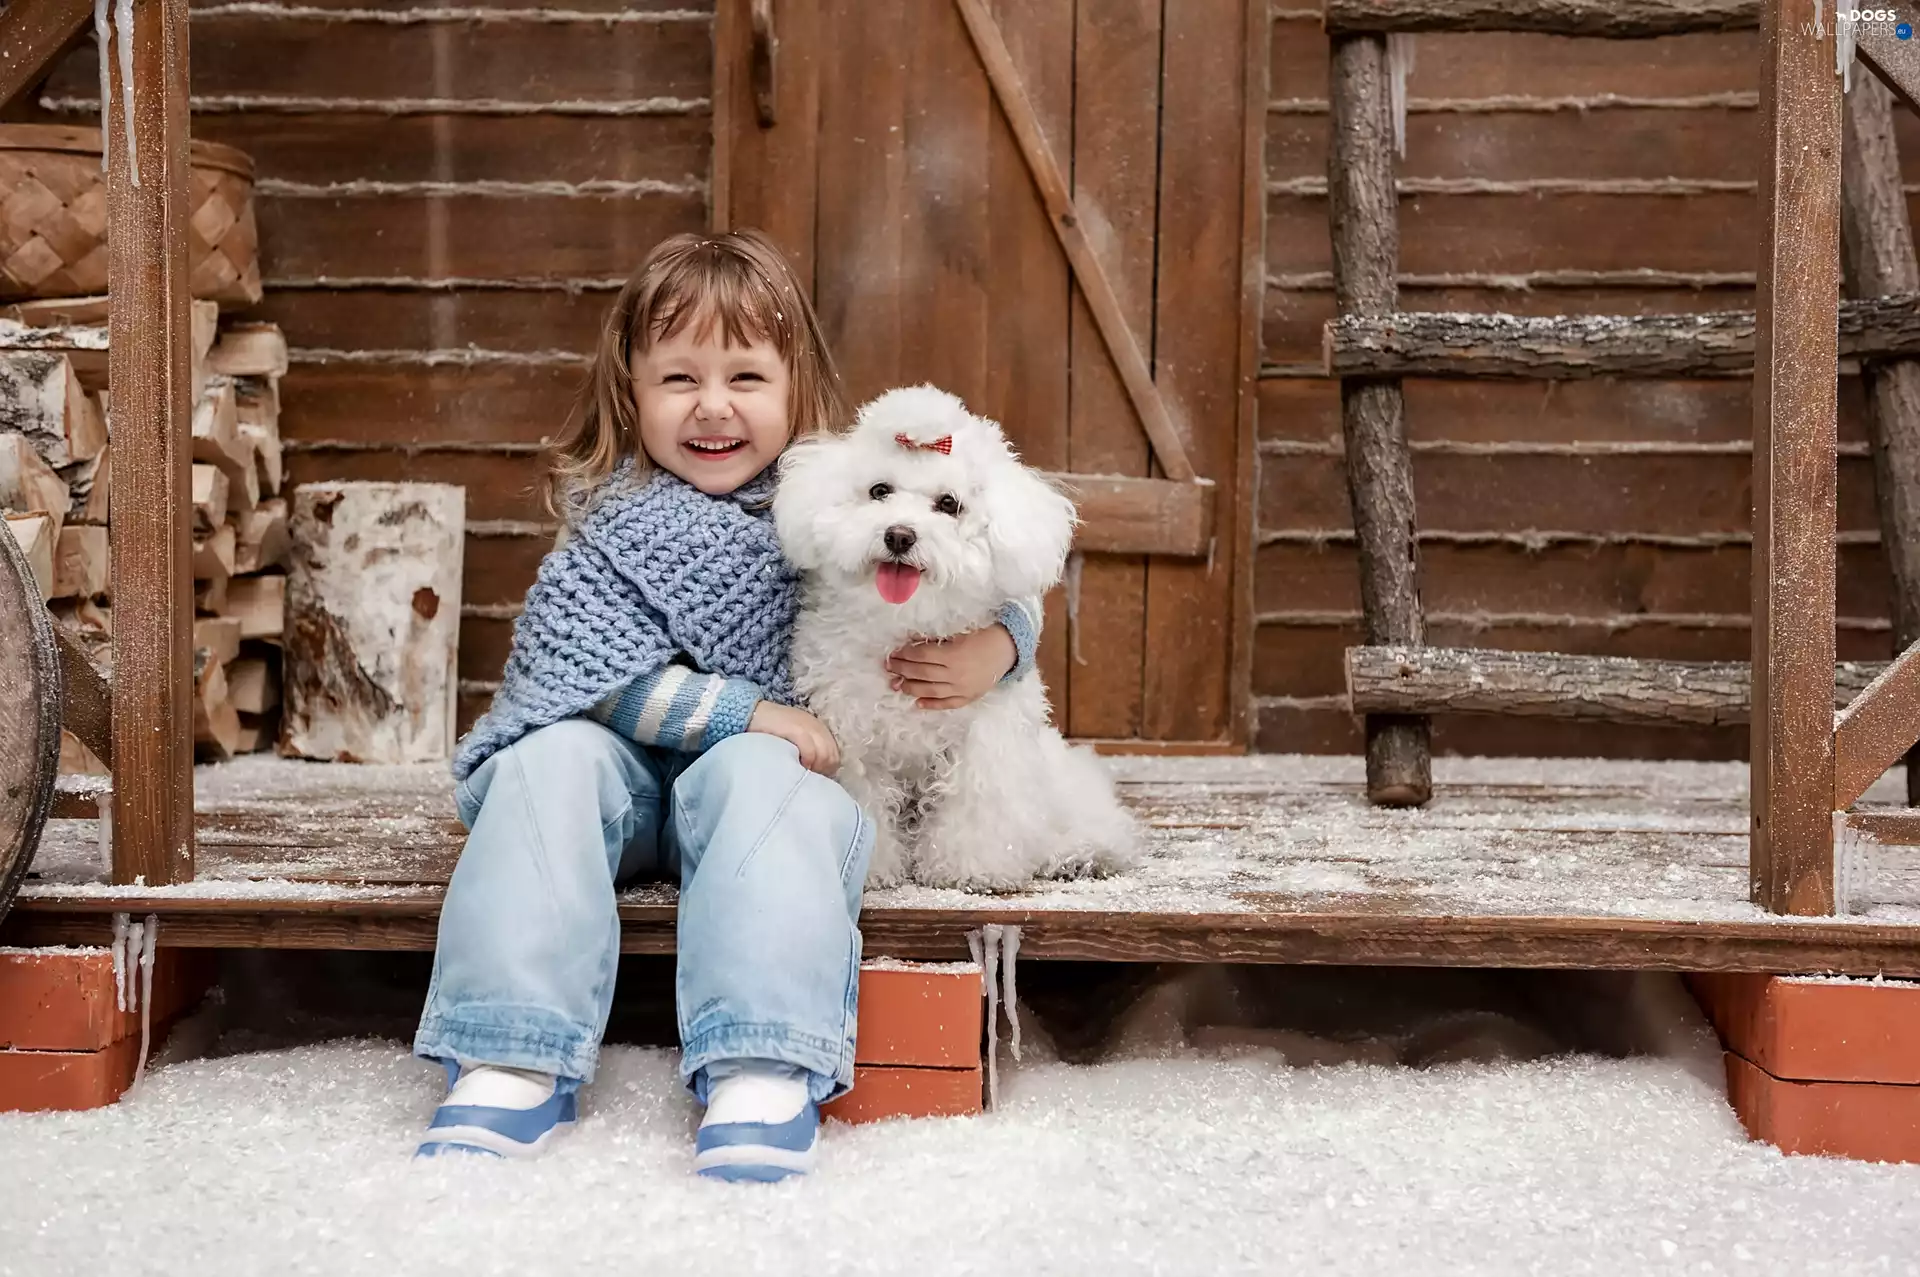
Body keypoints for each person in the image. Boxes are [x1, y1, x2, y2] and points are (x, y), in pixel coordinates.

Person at [412, 230, 1041, 1181]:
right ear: (631, 389)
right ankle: (508, 1045)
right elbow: (585, 673)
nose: (713, 407)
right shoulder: (611, 521)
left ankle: (762, 1052)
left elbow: (988, 571)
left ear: (798, 390)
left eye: (746, 376)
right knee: (544, 763)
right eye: (678, 379)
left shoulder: (842, 503)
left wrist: (1004, 644)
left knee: (772, 775)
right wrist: (743, 710)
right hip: (615, 786)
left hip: (750, 805)